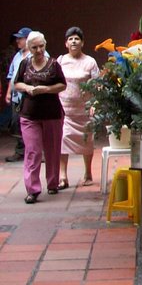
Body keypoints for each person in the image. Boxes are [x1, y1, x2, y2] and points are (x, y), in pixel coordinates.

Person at [12, 31, 66, 203]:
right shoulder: (24, 63)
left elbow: (62, 85)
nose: (38, 50)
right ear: (29, 48)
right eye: (34, 47)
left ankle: (52, 183)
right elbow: (17, 83)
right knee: (33, 151)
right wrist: (27, 88)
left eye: (41, 46)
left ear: (45, 44)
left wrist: (46, 89)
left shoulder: (54, 64)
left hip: (52, 114)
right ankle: (33, 189)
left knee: (52, 150)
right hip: (29, 114)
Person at [58, 27, 99, 188]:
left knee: (87, 141)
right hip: (64, 109)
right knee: (62, 140)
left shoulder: (90, 62)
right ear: (66, 43)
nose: (73, 41)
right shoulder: (60, 61)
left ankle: (88, 174)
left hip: (84, 110)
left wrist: (95, 103)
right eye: (70, 39)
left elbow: (97, 85)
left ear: (82, 42)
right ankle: (62, 176)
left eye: (77, 39)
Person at [5, 27, 37, 162]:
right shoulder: (17, 56)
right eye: (17, 38)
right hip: (16, 96)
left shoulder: (37, 52)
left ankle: (36, 152)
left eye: (20, 38)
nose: (17, 41)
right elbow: (11, 76)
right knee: (16, 123)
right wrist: (8, 93)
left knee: (33, 124)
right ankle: (20, 150)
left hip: (30, 96)